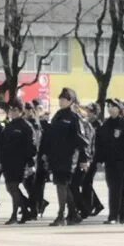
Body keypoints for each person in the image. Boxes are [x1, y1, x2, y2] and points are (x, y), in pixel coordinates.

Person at [45, 88, 90, 226]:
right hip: (56, 157)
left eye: (64, 99)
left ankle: (61, 216)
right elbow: (51, 137)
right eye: (60, 99)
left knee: (62, 185)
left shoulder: (74, 117)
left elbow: (82, 140)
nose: (61, 101)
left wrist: (84, 159)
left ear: (70, 101)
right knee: (64, 186)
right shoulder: (57, 115)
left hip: (68, 158)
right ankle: (73, 214)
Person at [96, 99, 124, 224]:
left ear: (119, 109)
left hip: (122, 161)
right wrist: (99, 159)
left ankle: (113, 216)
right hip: (110, 162)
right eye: (108, 106)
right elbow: (101, 144)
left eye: (113, 106)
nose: (110, 109)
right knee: (114, 188)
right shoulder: (106, 124)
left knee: (115, 188)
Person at [0, 100, 37, 224]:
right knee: (10, 188)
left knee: (13, 187)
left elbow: (32, 146)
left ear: (21, 111)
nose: (12, 113)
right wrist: (0, 161)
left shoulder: (26, 126)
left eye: (15, 110)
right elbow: (2, 145)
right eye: (11, 110)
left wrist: (30, 163)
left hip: (20, 162)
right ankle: (25, 210)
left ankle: (15, 214)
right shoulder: (8, 126)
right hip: (8, 162)